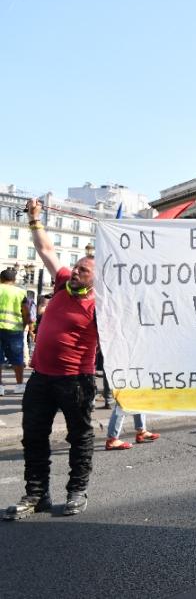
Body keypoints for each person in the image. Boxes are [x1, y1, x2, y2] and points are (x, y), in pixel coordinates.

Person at [4, 199, 98, 520]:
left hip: (76, 381)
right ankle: (36, 493)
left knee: (79, 436)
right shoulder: (60, 283)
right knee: (33, 434)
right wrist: (35, 219)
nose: (75, 272)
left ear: (95, 278)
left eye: (83, 270)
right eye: (76, 267)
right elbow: (45, 249)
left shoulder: (101, 305)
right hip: (42, 377)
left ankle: (76, 491)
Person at [0, 268, 31, 395]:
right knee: (17, 358)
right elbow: (26, 312)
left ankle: (0, 386)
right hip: (15, 329)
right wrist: (25, 325)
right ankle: (19, 385)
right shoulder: (20, 292)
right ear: (14, 280)